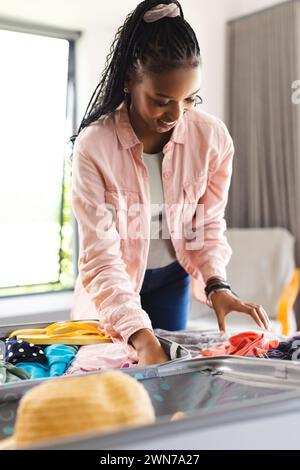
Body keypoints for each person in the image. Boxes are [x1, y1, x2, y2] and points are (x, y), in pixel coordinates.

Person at [70, 0, 270, 367]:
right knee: (114, 388)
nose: (177, 115)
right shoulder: (94, 146)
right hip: (111, 286)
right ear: (129, 81)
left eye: (189, 99)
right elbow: (100, 257)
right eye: (162, 101)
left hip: (172, 279)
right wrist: (139, 335)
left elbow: (207, 224)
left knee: (169, 391)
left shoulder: (212, 138)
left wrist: (216, 284)